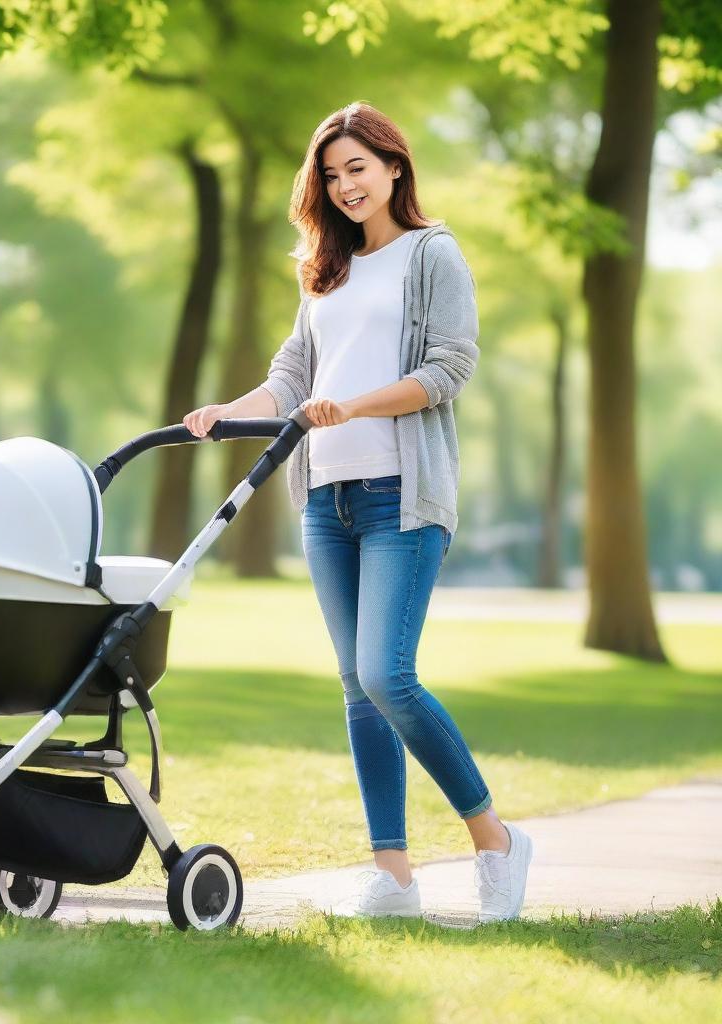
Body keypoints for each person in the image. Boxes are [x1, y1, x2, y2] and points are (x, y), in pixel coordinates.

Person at [183, 102, 532, 923]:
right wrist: (222, 413)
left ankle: (497, 843)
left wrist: (358, 406)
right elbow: (293, 376)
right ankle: (394, 877)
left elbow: (450, 367)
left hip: (400, 495)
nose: (345, 185)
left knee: (388, 674)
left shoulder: (432, 253)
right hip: (326, 499)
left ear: (394, 167)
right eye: (332, 174)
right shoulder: (326, 269)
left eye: (358, 168)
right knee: (356, 688)